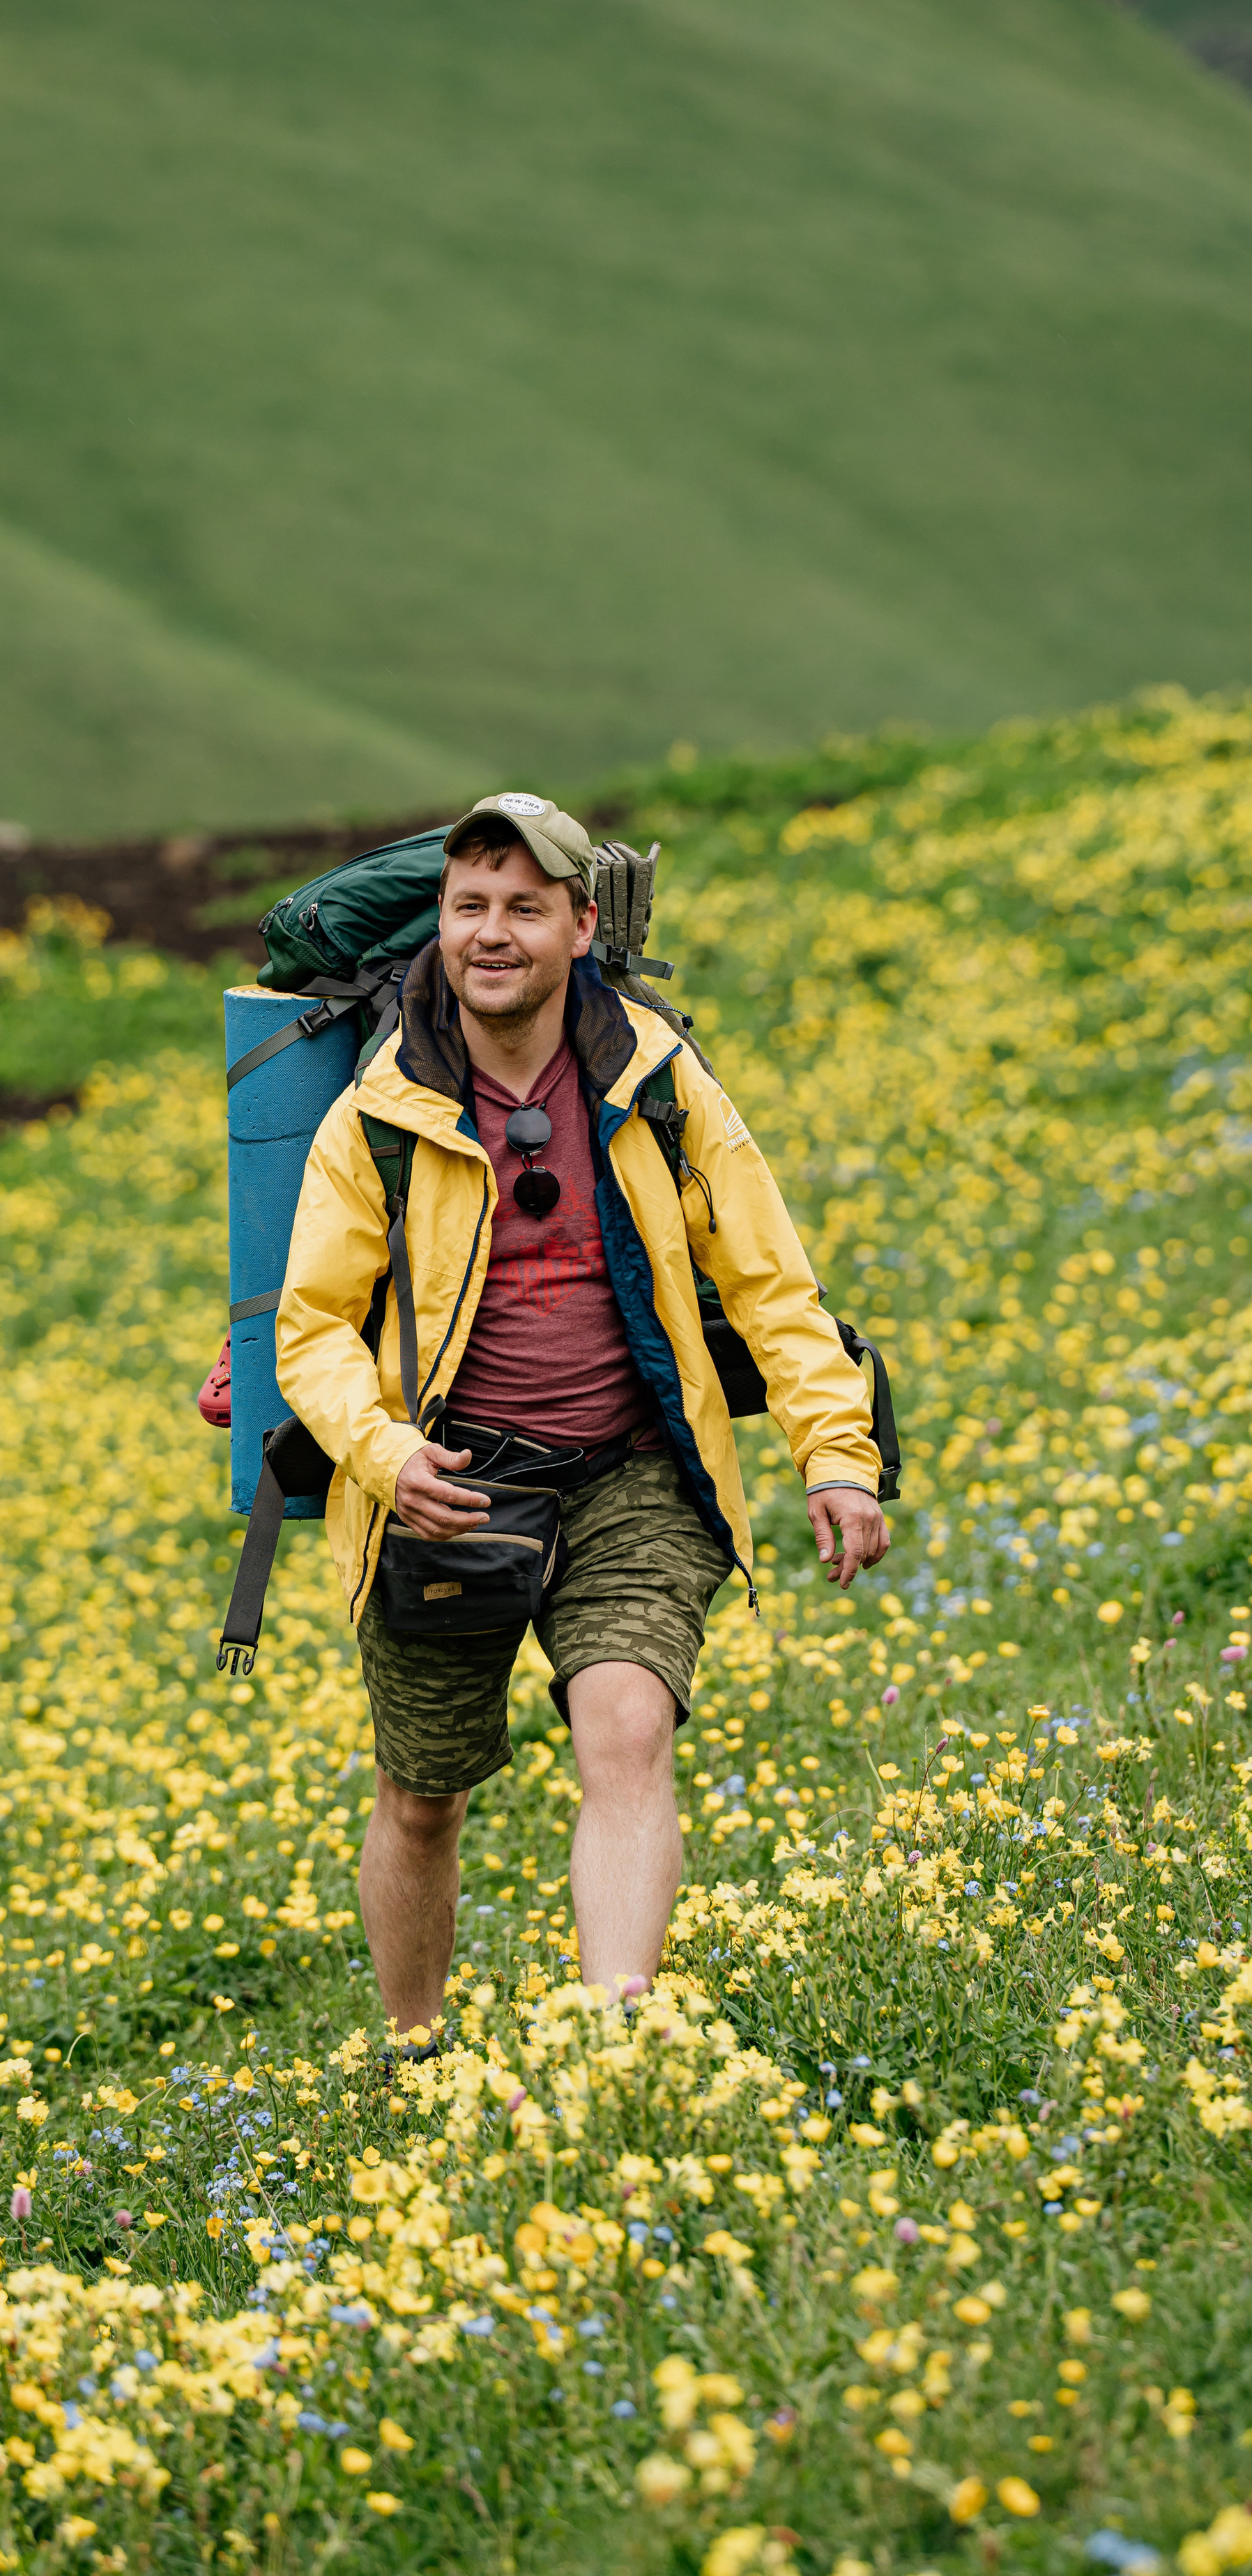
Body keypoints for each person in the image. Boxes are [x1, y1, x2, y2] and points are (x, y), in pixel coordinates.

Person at [273, 792, 887, 2041]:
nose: (491, 934)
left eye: (523, 909)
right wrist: (388, 1458)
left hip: (632, 1472)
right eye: (469, 908)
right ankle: (415, 2053)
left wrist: (837, 1453)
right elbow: (313, 1328)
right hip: (446, 1488)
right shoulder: (377, 1114)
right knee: (422, 1800)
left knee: (628, 1731)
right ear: (443, 924)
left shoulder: (661, 1085)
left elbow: (771, 1284)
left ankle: (616, 2052)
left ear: (579, 927)